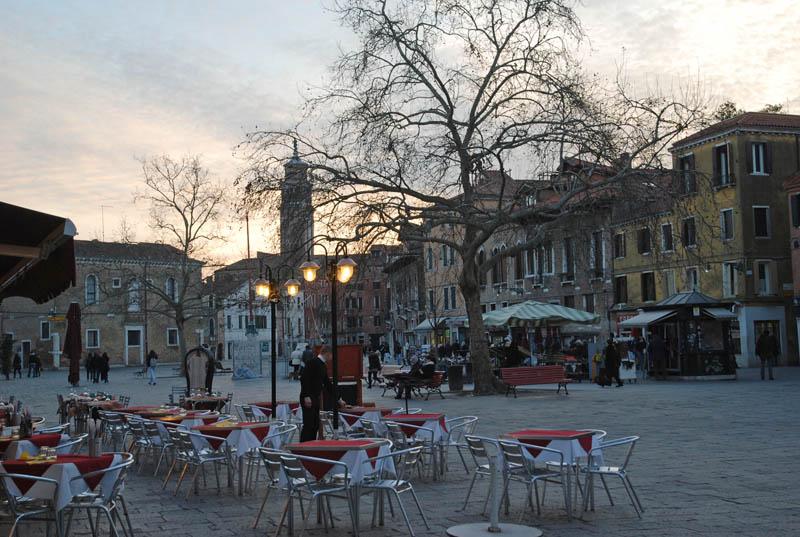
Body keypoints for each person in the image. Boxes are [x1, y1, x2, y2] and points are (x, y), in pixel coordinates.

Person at [299, 345, 333, 442]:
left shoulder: (322, 365)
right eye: (331, 355)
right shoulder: (312, 362)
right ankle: (303, 446)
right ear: (327, 353)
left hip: (315, 397)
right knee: (309, 424)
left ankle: (311, 444)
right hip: (308, 397)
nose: (331, 358)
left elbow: (327, 383)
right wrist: (306, 396)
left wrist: (338, 398)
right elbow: (304, 379)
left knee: (315, 424)